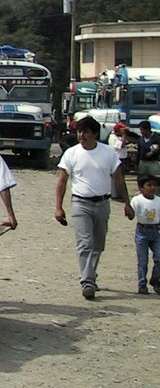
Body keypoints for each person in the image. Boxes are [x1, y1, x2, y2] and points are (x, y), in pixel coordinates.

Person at [55, 115, 132, 300]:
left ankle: (90, 274)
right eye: (79, 132)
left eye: (85, 132)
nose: (81, 136)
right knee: (85, 243)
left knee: (98, 244)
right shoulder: (71, 153)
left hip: (103, 203)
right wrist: (58, 207)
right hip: (81, 203)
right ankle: (87, 282)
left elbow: (119, 179)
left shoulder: (108, 153)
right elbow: (62, 181)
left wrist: (127, 203)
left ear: (95, 134)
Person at [126, 174, 160, 295]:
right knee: (143, 260)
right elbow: (131, 216)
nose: (152, 188)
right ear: (141, 187)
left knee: (159, 256)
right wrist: (128, 211)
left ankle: (155, 279)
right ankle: (142, 283)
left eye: (154, 185)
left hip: (155, 231)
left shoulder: (158, 201)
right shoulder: (137, 200)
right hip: (142, 231)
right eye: (148, 185)